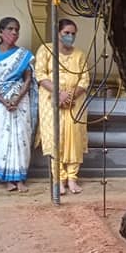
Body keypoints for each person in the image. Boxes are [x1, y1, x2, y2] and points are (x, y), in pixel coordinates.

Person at [35, 18, 90, 195]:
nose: (70, 36)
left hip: (75, 103)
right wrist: (59, 93)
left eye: (73, 33)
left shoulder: (80, 54)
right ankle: (58, 179)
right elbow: (40, 74)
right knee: (54, 138)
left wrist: (71, 95)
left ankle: (72, 178)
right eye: (66, 33)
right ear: (58, 33)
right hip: (52, 101)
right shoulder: (45, 49)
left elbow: (85, 79)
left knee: (74, 138)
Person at [0, 17, 36, 192]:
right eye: (10, 29)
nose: (14, 33)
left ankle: (20, 177)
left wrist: (16, 98)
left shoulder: (24, 54)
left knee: (21, 136)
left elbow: (28, 79)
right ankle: (6, 177)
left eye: (17, 29)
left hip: (19, 100)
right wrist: (3, 99)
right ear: (0, 31)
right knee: (1, 137)